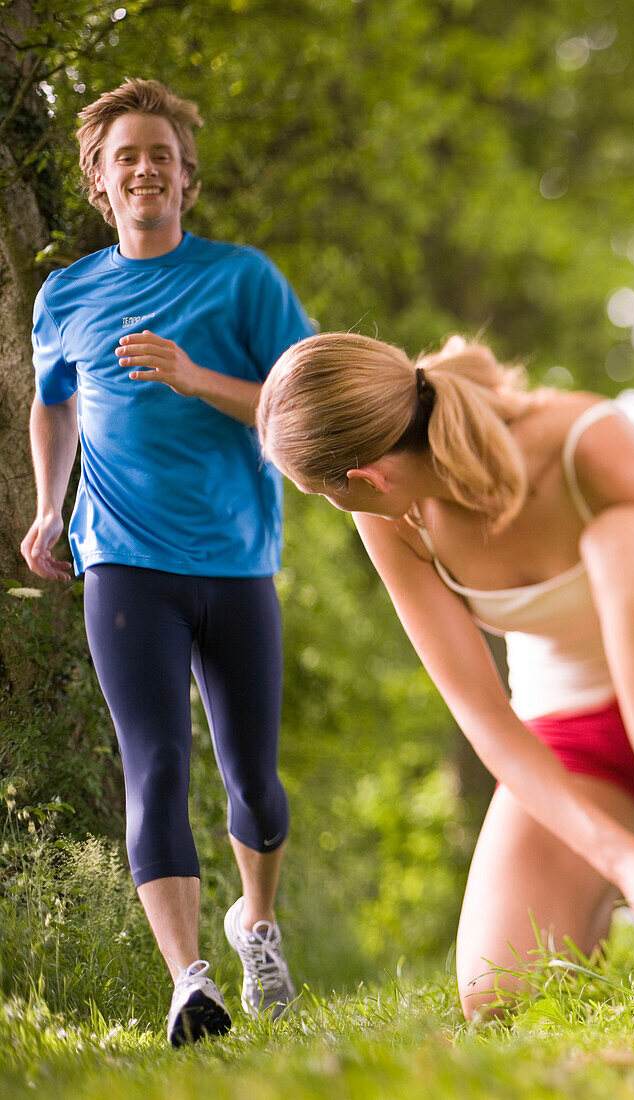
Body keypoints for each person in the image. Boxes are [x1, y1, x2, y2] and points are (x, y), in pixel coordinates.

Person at [255, 331, 634, 1019]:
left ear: (366, 478)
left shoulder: (576, 439)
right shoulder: (395, 522)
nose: (337, 506)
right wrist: (624, 857)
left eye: (320, 493)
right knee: (497, 990)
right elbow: (482, 714)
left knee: (627, 540)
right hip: (577, 730)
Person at [20, 79, 313, 1046]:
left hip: (234, 560)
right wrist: (48, 507)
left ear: (186, 177)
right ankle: (191, 982)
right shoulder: (66, 294)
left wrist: (192, 376)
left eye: (160, 155)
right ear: (102, 185)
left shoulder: (244, 281)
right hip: (123, 563)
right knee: (153, 768)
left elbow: (299, 399)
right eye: (124, 158)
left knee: (254, 784)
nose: (144, 168)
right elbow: (54, 401)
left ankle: (255, 924)